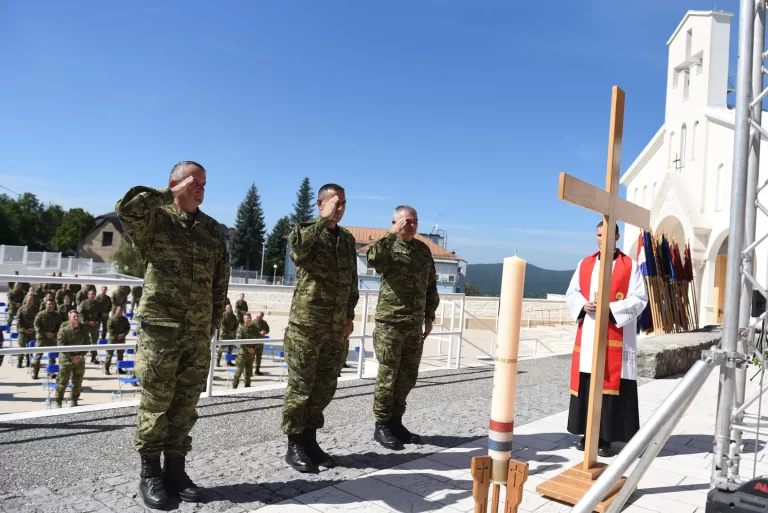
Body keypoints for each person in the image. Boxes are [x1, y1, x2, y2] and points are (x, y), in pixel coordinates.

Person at [116, 160, 229, 508]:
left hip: (196, 333)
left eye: (205, 184)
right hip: (161, 331)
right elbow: (127, 208)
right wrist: (169, 194)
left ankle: (176, 471)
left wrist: (214, 320)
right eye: (195, 182)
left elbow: (220, 276)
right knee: (157, 404)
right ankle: (150, 473)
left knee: (185, 405)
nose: (201, 189)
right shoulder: (156, 220)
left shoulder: (211, 229)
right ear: (175, 183)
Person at [281, 183, 359, 473]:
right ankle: (295, 445)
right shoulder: (305, 232)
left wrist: (349, 315)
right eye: (334, 203)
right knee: (301, 388)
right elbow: (299, 251)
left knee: (324, 388)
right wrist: (321, 219)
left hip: (335, 327)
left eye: (343, 204)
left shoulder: (347, 240)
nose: (339, 209)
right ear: (320, 203)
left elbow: (352, 281)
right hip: (307, 326)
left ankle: (310, 441)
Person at [565, 221, 649, 457]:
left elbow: (640, 298)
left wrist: (610, 308)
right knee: (589, 382)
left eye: (607, 235)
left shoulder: (630, 266)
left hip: (615, 334)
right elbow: (572, 292)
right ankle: (587, 432)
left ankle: (606, 438)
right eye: (599, 235)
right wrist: (584, 304)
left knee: (610, 384)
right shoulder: (585, 264)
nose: (602, 239)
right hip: (589, 334)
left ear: (618, 236)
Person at [367, 206, 438, 450]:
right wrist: (390, 234)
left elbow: (431, 285)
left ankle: (396, 422)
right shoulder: (387, 246)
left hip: (413, 324)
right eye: (406, 221)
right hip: (390, 323)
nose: (412, 225)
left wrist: (429, 315)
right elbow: (372, 259)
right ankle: (382, 425)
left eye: (415, 221)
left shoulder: (422, 250)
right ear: (395, 222)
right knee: (388, 376)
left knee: (407, 376)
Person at [55, 310, 89, 408]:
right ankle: (59, 401)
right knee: (62, 382)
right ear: (69, 318)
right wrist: (71, 357)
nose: (76, 318)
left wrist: (80, 356)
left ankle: (74, 400)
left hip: (79, 360)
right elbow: (61, 345)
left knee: (78, 382)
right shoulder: (64, 330)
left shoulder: (83, 329)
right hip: (66, 360)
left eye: (77, 316)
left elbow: (87, 344)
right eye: (74, 316)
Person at [33, 300, 60, 379]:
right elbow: (36, 325)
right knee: (38, 356)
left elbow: (59, 326)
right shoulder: (40, 314)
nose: (50, 306)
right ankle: (35, 372)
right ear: (46, 305)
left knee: (52, 357)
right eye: (49, 304)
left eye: (52, 304)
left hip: (53, 338)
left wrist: (54, 333)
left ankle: (51, 372)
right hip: (42, 338)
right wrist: (44, 333)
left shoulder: (57, 315)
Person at [232, 313, 261, 388]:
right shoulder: (241, 328)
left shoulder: (254, 328)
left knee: (249, 372)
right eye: (246, 318)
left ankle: (247, 386)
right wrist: (247, 348)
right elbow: (239, 340)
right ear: (243, 319)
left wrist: (254, 348)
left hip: (251, 354)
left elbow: (259, 340)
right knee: (238, 372)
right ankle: (234, 387)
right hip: (242, 354)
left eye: (249, 318)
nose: (248, 319)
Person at [104, 305, 131, 375]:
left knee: (120, 354)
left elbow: (128, 328)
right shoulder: (111, 319)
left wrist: (123, 334)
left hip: (121, 339)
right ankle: (106, 368)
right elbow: (109, 329)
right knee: (109, 354)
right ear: (116, 310)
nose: (120, 312)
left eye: (122, 311)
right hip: (112, 339)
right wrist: (117, 335)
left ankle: (119, 369)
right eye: (119, 310)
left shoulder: (124, 319)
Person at [78, 289, 102, 364]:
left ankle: (94, 357)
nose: (92, 296)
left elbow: (100, 315)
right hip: (85, 325)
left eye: (94, 294)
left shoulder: (98, 304)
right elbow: (81, 313)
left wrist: (97, 322)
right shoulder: (83, 303)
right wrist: (87, 322)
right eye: (91, 294)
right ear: (88, 295)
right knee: (83, 341)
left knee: (94, 342)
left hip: (94, 326)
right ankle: (81, 357)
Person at [16, 295, 37, 368]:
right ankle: (20, 360)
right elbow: (18, 321)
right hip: (23, 332)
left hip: (32, 331)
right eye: (29, 300)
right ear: (26, 300)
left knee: (30, 347)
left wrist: (33, 329)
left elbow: (37, 321)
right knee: (22, 346)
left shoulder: (36, 309)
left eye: (32, 300)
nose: (30, 301)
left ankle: (29, 360)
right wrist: (24, 329)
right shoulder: (21, 309)